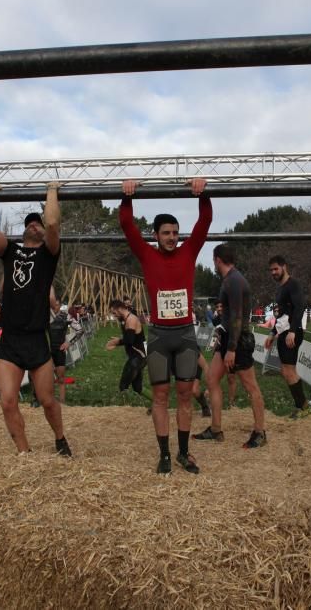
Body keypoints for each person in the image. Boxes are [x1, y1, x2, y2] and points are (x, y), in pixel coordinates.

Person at [120, 177, 209, 474]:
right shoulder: (147, 254)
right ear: (156, 235)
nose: (172, 237)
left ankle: (184, 453)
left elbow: (205, 220)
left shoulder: (189, 252)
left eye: (175, 233)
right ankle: (164, 455)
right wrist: (128, 196)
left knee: (185, 395)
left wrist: (202, 191)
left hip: (184, 334)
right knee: (160, 396)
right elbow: (126, 225)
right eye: (166, 233)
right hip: (159, 334)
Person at [0, 182, 71, 456]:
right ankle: (24, 453)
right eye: (30, 223)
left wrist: (52, 190)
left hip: (36, 339)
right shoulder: (11, 251)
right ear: (24, 230)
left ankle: (60, 438)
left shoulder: (48, 254)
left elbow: (54, 224)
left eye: (38, 223)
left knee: (46, 400)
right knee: (7, 401)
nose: (35, 225)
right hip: (10, 339)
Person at [197, 243, 267, 449]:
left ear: (218, 259)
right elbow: (229, 315)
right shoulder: (229, 280)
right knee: (211, 379)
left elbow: (237, 317)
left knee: (251, 386)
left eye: (213, 259)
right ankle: (216, 429)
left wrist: (232, 349)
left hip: (238, 342)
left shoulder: (235, 281)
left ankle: (260, 432)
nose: (213, 263)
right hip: (228, 338)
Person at [264, 255, 311, 419]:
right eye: (271, 270)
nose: (273, 272)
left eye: (276, 268)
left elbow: (300, 306)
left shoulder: (293, 284)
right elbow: (280, 315)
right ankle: (302, 405)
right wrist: (272, 333)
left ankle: (303, 407)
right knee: (285, 371)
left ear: (284, 267)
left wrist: (292, 331)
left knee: (289, 371)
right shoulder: (280, 289)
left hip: (293, 332)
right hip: (283, 332)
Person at [105, 298, 147, 399]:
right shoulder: (125, 319)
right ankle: (158, 403)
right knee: (138, 388)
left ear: (119, 309)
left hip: (138, 358)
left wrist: (115, 342)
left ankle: (121, 408)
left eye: (114, 312)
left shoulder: (131, 319)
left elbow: (129, 340)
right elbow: (129, 338)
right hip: (138, 357)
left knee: (123, 386)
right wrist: (119, 340)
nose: (114, 315)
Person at [48, 289, 80, 403]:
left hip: (60, 350)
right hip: (47, 351)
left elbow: (80, 330)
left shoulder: (66, 316)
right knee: (48, 378)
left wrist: (69, 342)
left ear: (60, 305)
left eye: (56, 305)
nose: (54, 308)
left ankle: (62, 402)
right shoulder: (45, 317)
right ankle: (49, 402)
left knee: (61, 378)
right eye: (52, 305)